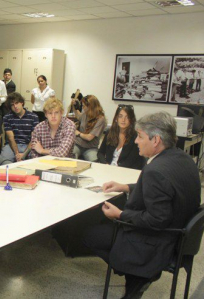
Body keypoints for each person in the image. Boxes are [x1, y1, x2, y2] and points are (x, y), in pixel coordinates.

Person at [84, 112, 200, 299]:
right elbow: (166, 190)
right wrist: (125, 187)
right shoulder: (182, 159)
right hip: (180, 236)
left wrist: (120, 215)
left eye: (140, 136)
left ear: (155, 140)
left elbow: (156, 220)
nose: (136, 141)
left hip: (157, 241)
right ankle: (137, 276)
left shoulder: (155, 170)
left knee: (90, 234)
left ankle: (137, 276)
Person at [0, 92, 38, 165]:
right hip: (11, 145)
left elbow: (33, 138)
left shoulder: (33, 117)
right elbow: (11, 138)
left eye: (17, 103)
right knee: (3, 161)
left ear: (22, 103)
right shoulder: (7, 117)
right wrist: (17, 154)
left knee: (34, 161)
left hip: (28, 145)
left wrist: (24, 154)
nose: (15, 106)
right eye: (12, 105)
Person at [98, 105, 145, 170]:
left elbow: (133, 161)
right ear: (116, 119)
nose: (123, 120)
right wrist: (105, 164)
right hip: (108, 168)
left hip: (125, 171)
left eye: (127, 117)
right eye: (120, 116)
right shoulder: (110, 133)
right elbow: (100, 153)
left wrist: (116, 169)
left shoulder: (135, 137)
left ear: (131, 120)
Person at [73, 95, 107, 162]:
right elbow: (78, 116)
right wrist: (74, 106)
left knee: (94, 162)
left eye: (84, 106)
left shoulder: (101, 119)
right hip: (78, 144)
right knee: (70, 156)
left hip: (91, 148)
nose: (82, 108)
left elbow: (89, 137)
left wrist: (78, 133)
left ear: (90, 107)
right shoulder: (85, 114)